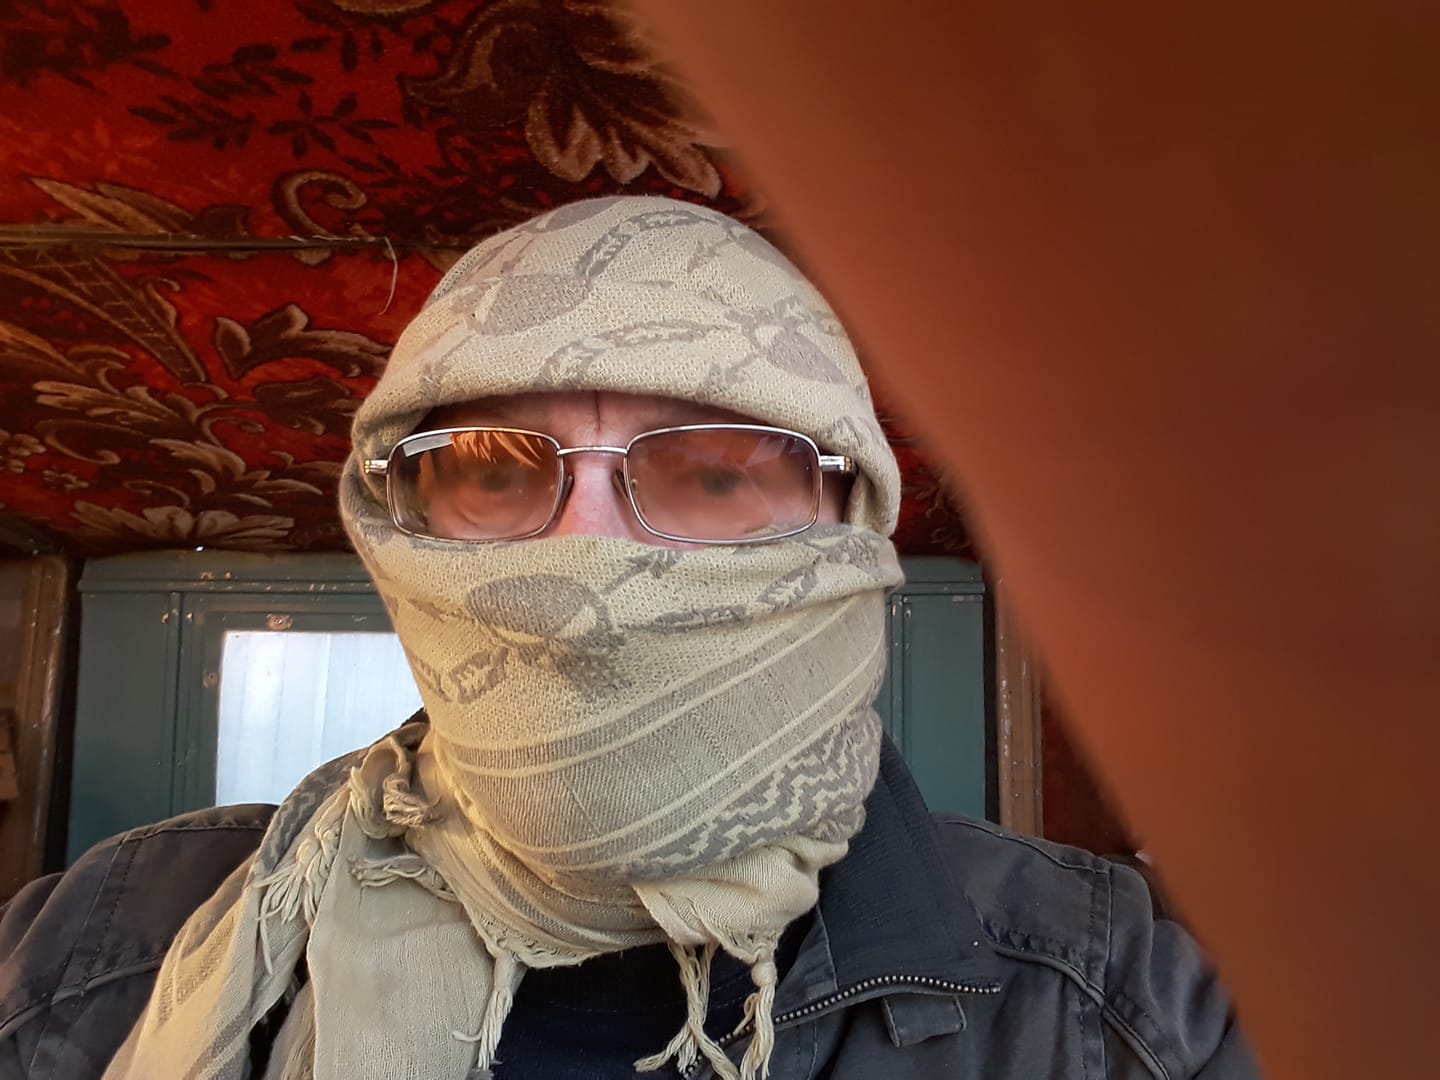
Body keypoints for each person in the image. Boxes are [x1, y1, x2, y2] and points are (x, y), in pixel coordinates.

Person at [0, 197, 1257, 1079]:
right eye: (494, 471)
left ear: (849, 517)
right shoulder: (97, 949)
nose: (585, 556)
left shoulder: (1117, 1008)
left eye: (713, 475)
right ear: (396, 515)